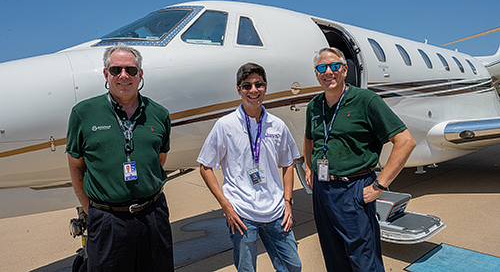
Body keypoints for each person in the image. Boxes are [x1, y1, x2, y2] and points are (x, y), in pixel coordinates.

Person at [304, 47, 416, 272]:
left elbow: (405, 141)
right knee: (334, 255)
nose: (329, 72)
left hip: (354, 189)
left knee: (363, 259)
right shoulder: (314, 105)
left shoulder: (366, 100)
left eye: (335, 66)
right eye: (322, 68)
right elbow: (309, 139)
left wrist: (379, 185)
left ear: (345, 70)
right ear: (316, 74)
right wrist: (309, 167)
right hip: (323, 190)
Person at [66, 43, 174, 271]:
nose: (124, 75)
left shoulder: (159, 114)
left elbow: (159, 159)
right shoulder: (83, 113)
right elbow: (76, 166)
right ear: (106, 74)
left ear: (140, 75)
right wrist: (91, 210)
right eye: (116, 70)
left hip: (153, 216)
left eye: (131, 70)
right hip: (107, 221)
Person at [197, 62, 302, 272]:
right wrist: (227, 206)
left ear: (266, 87)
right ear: (239, 90)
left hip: (276, 212)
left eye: (258, 84)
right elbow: (205, 166)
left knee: (293, 266)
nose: (253, 90)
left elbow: (288, 163)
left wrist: (288, 202)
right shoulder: (225, 125)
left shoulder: (277, 125)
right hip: (242, 213)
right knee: (246, 269)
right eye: (247, 86)